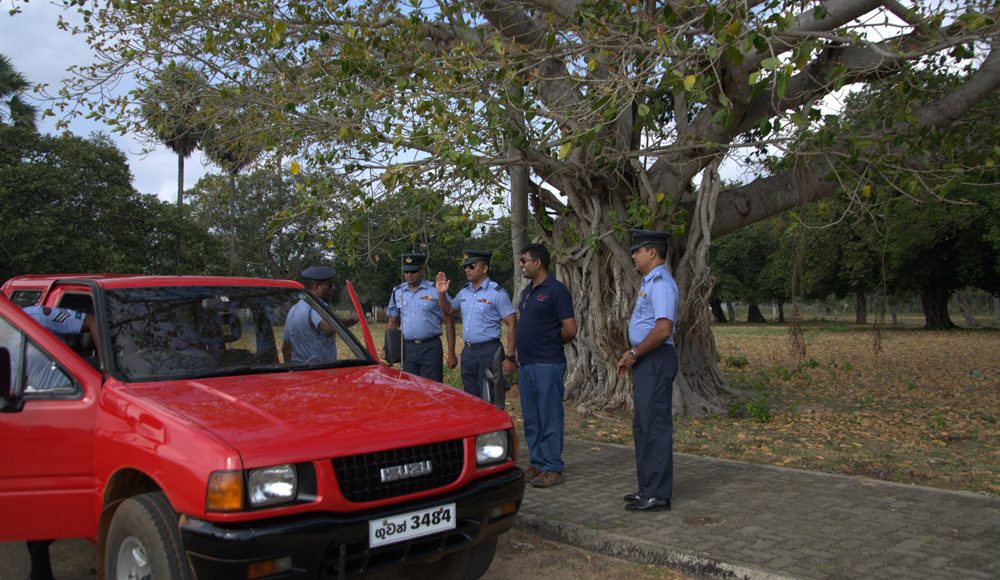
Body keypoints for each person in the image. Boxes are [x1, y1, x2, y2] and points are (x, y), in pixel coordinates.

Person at [615, 229, 679, 512]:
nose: (633, 255)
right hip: (646, 360)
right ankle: (647, 488)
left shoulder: (661, 283)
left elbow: (664, 329)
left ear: (652, 252)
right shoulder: (649, 282)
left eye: (637, 250)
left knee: (654, 426)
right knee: (643, 425)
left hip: (655, 359)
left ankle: (657, 494)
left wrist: (635, 352)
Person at [515, 244, 577, 489]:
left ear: (538, 263)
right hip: (527, 364)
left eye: (524, 260)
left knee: (549, 416)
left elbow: (569, 329)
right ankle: (537, 463)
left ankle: (553, 467)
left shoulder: (556, 290)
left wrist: (550, 340)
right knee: (532, 418)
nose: (521, 264)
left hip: (547, 363)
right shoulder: (527, 291)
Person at [436, 250, 517, 399]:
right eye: (465, 266)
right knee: (470, 398)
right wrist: (441, 293)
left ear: (484, 268)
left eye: (472, 266)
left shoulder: (497, 293)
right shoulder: (464, 292)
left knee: (491, 397)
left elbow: (512, 322)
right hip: (468, 352)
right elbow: (448, 310)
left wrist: (510, 357)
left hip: (489, 352)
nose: (467, 269)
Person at [386, 253, 457, 381]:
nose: (409, 274)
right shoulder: (397, 291)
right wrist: (388, 348)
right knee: (409, 387)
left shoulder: (435, 290)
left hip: (430, 348)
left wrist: (451, 352)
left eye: (413, 271)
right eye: (406, 271)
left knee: (432, 387)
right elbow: (393, 321)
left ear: (422, 270)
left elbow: (449, 321)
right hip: (407, 349)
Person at [282, 266, 357, 364]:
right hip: (319, 368)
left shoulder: (293, 309)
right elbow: (329, 326)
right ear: (316, 287)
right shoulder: (316, 306)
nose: (333, 288)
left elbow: (286, 346)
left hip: (299, 369)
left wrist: (290, 368)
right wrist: (351, 320)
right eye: (329, 285)